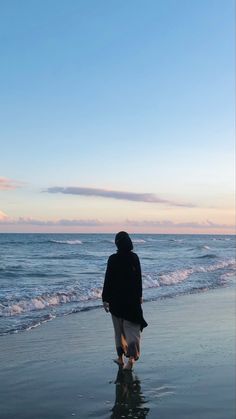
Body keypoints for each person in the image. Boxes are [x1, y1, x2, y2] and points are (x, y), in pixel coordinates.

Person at [102, 231, 148, 370]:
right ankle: (131, 359)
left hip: (116, 301)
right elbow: (138, 278)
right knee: (132, 331)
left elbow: (107, 280)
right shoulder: (134, 257)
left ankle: (120, 358)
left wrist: (105, 299)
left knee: (119, 331)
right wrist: (140, 295)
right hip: (131, 301)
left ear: (117, 243)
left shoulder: (112, 259)